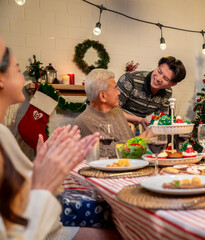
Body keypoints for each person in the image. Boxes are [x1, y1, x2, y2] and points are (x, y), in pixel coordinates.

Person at [0, 36, 119, 240]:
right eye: (5, 55)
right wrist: (43, 183)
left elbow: (17, 197)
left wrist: (43, 166)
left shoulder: (3, 134)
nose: (12, 55)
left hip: (49, 228)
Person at [75, 68, 150, 158]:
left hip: (130, 166)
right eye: (115, 88)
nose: (118, 92)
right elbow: (113, 153)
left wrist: (140, 121)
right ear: (103, 96)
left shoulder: (116, 111)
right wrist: (148, 134)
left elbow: (129, 145)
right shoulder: (85, 122)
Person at [117, 56, 186, 129]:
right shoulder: (130, 79)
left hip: (135, 128)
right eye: (159, 71)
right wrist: (139, 120)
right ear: (157, 67)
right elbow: (112, 110)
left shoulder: (167, 93)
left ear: (173, 84)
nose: (158, 78)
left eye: (165, 78)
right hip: (114, 125)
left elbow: (160, 120)